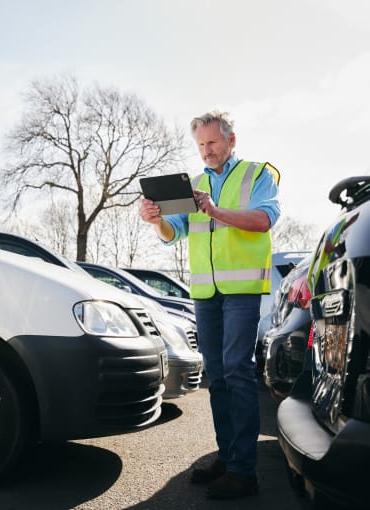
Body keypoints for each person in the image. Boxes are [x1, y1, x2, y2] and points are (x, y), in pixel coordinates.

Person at [139, 110, 280, 500]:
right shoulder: (193, 185)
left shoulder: (257, 175)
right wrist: (155, 220)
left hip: (241, 289)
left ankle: (243, 470)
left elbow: (264, 220)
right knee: (216, 376)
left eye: (213, 143)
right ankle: (228, 455)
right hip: (204, 293)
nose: (207, 151)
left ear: (231, 141)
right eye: (201, 144)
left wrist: (214, 209)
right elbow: (175, 232)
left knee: (237, 370)